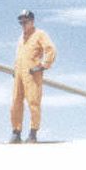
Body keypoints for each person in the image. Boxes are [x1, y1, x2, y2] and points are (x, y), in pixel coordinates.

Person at [10, 10, 56, 144]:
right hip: (19, 73)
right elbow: (19, 55)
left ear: (32, 21)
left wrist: (43, 65)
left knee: (33, 102)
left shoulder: (40, 34)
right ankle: (16, 131)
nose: (23, 24)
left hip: (32, 73)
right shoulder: (21, 38)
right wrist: (15, 68)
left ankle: (33, 132)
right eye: (21, 22)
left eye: (26, 21)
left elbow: (50, 49)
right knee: (15, 102)